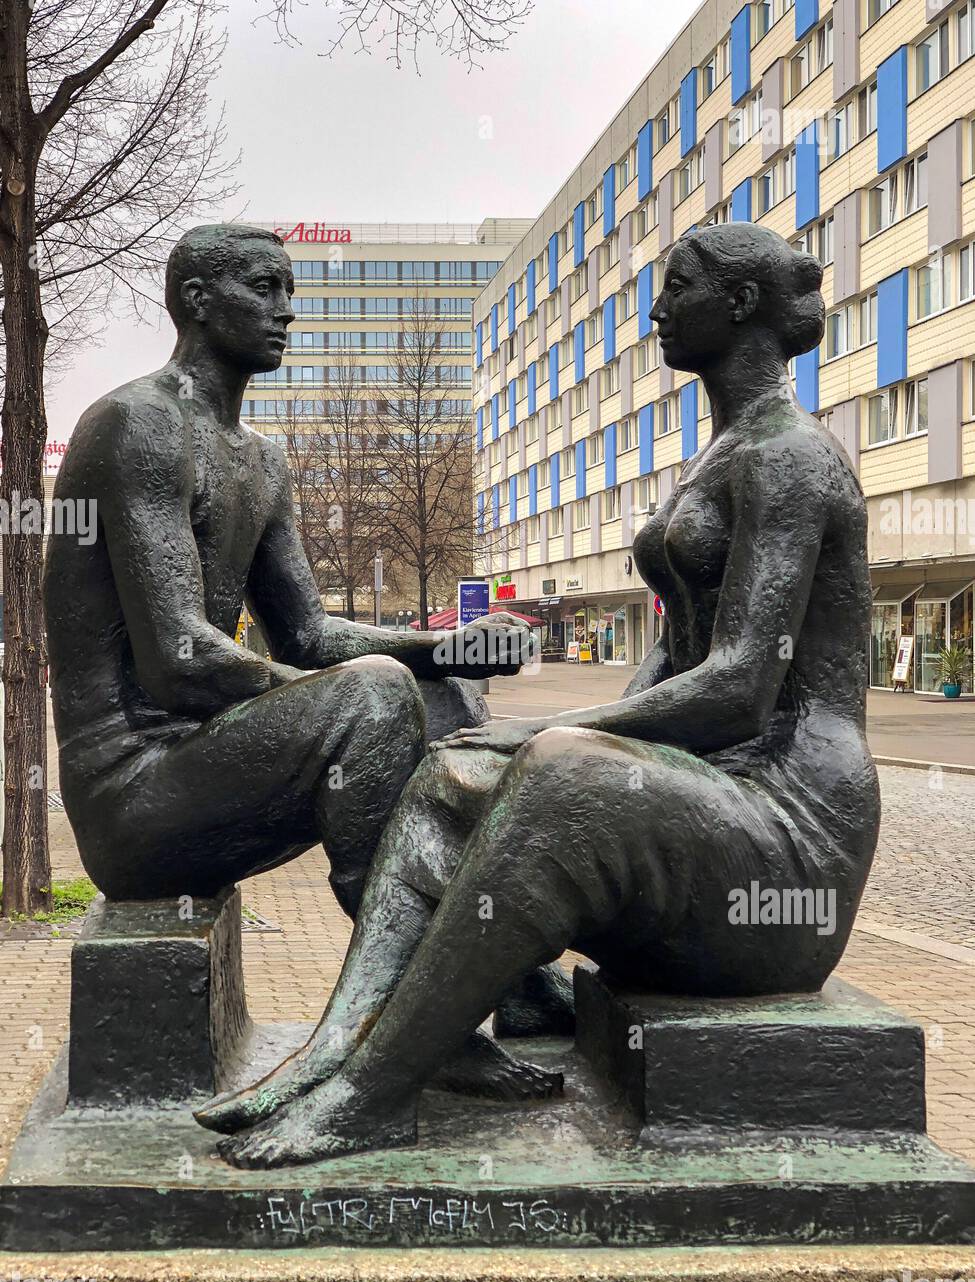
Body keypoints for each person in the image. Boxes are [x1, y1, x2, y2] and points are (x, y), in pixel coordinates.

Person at [199, 222, 882, 1169]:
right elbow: (674, 668)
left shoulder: (791, 457)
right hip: (710, 831)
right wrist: (507, 742)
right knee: (448, 769)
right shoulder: (727, 454)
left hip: (786, 851)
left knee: (559, 773)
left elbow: (736, 691)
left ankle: (368, 1093)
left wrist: (544, 728)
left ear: (737, 306)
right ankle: (335, 1052)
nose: (654, 308)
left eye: (676, 286)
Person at [44, 223, 538, 1093]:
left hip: (204, 764)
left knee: (445, 697)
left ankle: (513, 984)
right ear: (197, 301)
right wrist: (360, 701)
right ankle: (420, 1016)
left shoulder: (260, 460)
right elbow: (180, 662)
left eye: (290, 290)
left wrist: (443, 648)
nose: (288, 311)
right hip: (136, 798)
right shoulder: (138, 425)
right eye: (265, 288)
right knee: (378, 703)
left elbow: (308, 636)